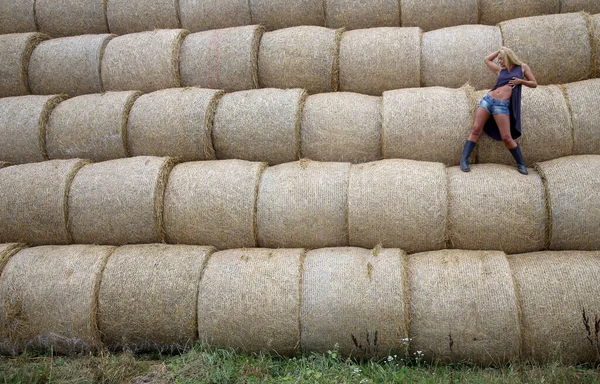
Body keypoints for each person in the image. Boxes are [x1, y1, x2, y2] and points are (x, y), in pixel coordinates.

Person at [460, 47, 537, 175]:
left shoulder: (522, 67)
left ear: (508, 57)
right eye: (499, 59)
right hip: (488, 100)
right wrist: (499, 51)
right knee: (475, 129)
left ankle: (521, 163)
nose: (499, 61)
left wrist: (520, 81)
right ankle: (464, 160)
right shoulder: (500, 70)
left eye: (501, 58)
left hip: (502, 105)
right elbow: (487, 60)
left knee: (506, 137)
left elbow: (534, 83)